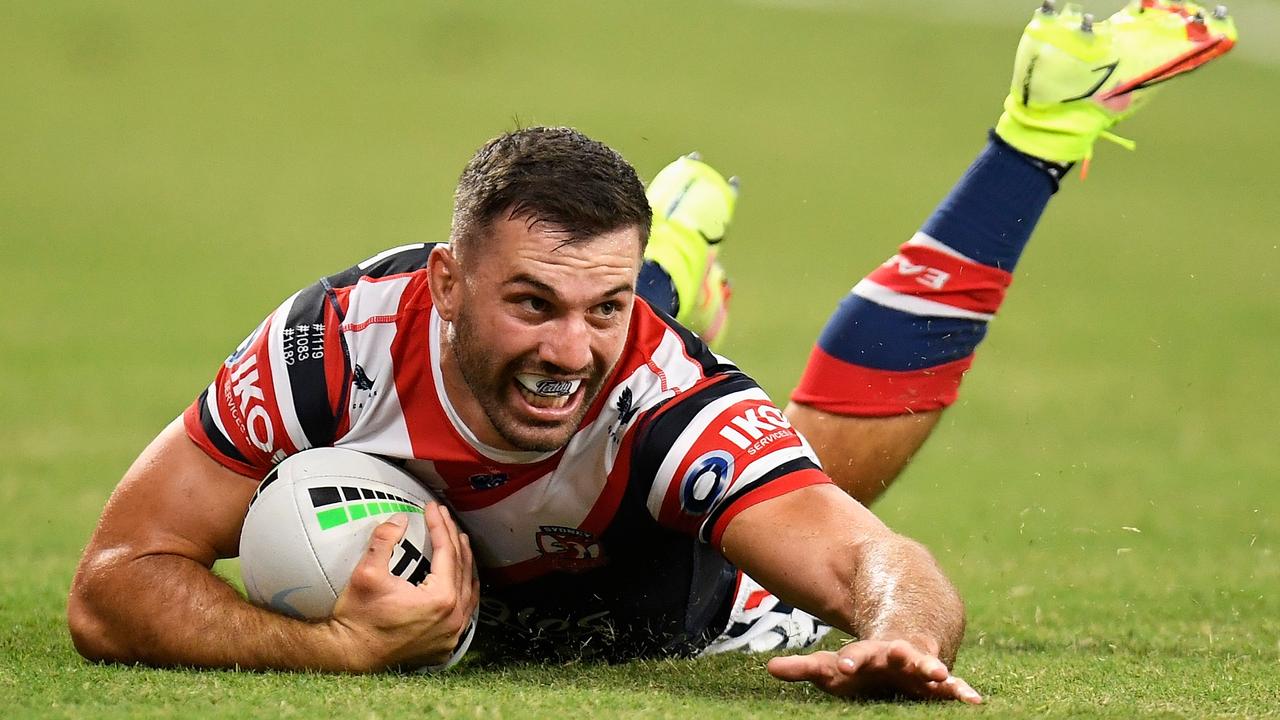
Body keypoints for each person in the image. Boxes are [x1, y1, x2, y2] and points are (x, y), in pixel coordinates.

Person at [67, 1, 1234, 704]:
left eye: (605, 305)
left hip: (642, 593)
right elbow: (112, 589)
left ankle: (1030, 145)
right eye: (528, 298)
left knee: (810, 466)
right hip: (527, 459)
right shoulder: (331, 345)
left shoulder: (663, 398)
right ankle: (663, 265)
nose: (571, 345)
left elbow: (875, 560)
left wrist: (895, 637)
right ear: (442, 283)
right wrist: (327, 651)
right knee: (562, 373)